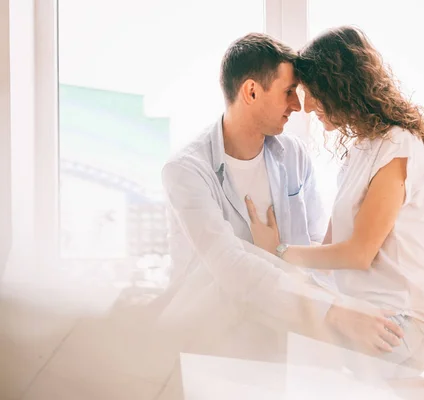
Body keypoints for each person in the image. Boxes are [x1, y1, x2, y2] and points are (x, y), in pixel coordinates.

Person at [160, 32, 404, 364]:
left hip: (283, 345)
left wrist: (348, 311)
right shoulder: (186, 171)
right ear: (251, 91)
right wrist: (335, 312)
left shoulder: (293, 155)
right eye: (289, 92)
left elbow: (315, 248)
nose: (297, 106)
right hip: (210, 347)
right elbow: (229, 266)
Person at [245, 26, 424, 378]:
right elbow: (328, 254)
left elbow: (357, 254)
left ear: (341, 88)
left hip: (400, 325)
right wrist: (270, 258)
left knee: (288, 351)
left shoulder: (397, 147)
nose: (305, 108)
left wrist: (277, 251)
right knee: (270, 327)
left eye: (312, 93)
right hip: (366, 313)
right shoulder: (360, 153)